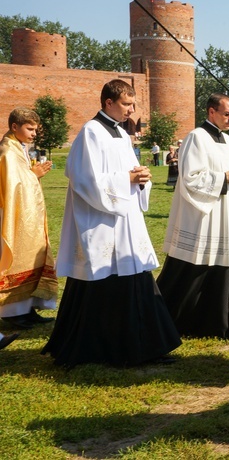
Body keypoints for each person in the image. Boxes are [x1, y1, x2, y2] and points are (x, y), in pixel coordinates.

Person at [42, 79, 180, 367]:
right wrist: (127, 180)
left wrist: (141, 178)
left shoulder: (120, 133)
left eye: (132, 105)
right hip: (101, 221)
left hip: (127, 221)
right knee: (102, 281)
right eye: (127, 104)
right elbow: (83, 179)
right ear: (108, 103)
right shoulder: (91, 133)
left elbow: (128, 173)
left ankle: (146, 345)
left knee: (136, 275)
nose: (131, 110)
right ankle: (102, 348)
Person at [157, 94, 229, 339]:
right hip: (205, 214)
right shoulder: (196, 137)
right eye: (227, 114)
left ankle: (226, 324)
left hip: (227, 210)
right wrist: (223, 178)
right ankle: (177, 319)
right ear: (211, 112)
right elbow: (190, 177)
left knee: (228, 262)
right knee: (195, 268)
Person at [0, 108, 58, 330]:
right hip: (12, 217)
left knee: (32, 256)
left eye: (36, 129)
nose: (34, 133)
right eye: (30, 128)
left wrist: (33, 174)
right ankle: (12, 312)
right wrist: (34, 175)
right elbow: (13, 185)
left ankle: (28, 308)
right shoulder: (7, 151)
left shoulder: (19, 148)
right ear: (15, 127)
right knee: (17, 259)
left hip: (27, 216)